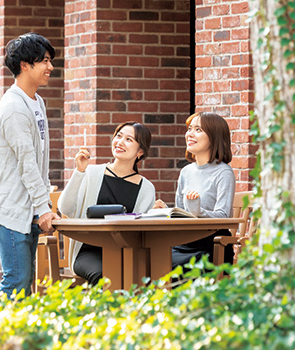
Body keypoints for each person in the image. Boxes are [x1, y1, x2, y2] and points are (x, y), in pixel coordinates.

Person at [0, 32, 60, 299]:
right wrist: (43, 207)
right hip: (9, 207)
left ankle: (12, 340)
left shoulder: (37, 102)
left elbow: (40, 160)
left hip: (27, 209)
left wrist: (41, 206)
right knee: (16, 281)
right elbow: (27, 163)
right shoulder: (14, 106)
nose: (50, 67)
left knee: (24, 286)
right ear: (26, 64)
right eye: (45, 61)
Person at [58, 122, 156, 285]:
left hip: (126, 253)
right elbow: (66, 209)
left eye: (129, 139)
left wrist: (154, 213)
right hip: (87, 251)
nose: (120, 142)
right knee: (105, 277)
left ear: (140, 151)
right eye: (118, 136)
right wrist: (79, 172)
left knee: (148, 274)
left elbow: (142, 232)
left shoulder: (146, 188)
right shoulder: (91, 172)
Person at [156, 112, 236, 270]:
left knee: (165, 265)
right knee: (147, 259)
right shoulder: (186, 172)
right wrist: (167, 211)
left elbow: (223, 216)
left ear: (214, 137)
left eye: (198, 130)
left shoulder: (223, 172)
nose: (189, 134)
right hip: (183, 243)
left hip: (211, 246)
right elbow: (182, 214)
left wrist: (198, 211)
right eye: (189, 129)